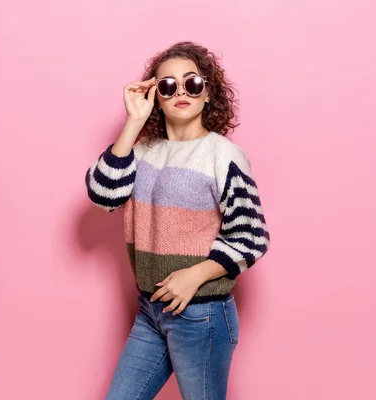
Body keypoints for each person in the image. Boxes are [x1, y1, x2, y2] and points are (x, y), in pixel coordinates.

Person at [85, 41, 271, 400]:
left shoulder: (223, 155)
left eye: (192, 83)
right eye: (167, 85)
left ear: (208, 93)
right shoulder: (142, 150)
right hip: (150, 311)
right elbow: (103, 195)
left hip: (201, 314)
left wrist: (194, 276)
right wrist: (133, 121)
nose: (181, 92)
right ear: (156, 94)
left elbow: (251, 235)